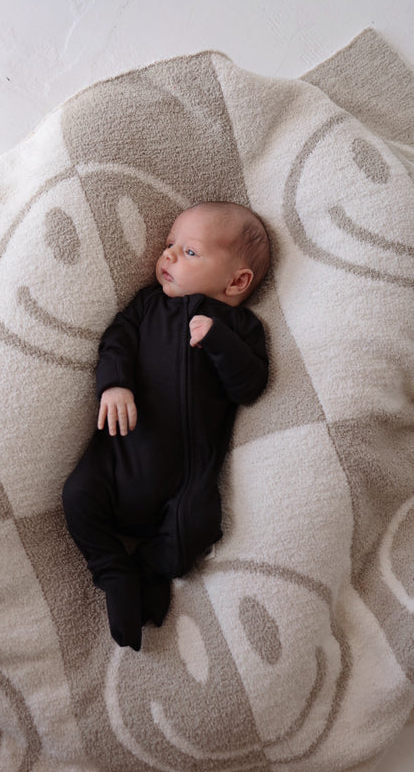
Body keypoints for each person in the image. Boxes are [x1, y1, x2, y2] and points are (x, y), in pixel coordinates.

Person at [62, 201, 270, 650]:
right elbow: (116, 339)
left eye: (189, 252)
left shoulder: (241, 328)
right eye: (170, 245)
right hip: (118, 455)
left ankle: (149, 572)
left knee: (197, 527)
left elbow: (250, 386)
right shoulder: (146, 307)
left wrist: (220, 341)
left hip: (184, 481)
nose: (169, 255)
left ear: (237, 281)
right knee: (77, 496)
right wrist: (115, 385)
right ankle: (113, 571)